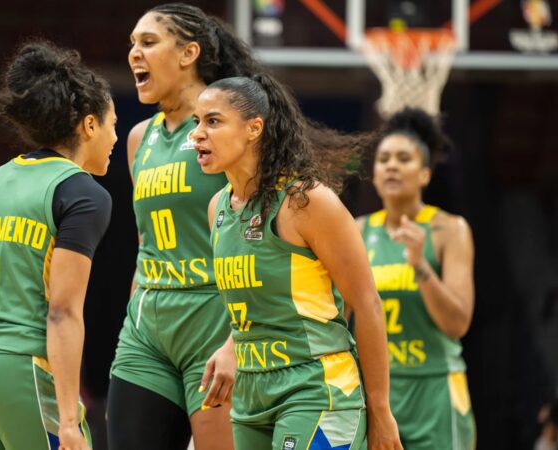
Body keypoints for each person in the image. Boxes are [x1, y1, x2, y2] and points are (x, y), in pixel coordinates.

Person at [109, 4, 375, 449]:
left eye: (148, 42)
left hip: (216, 317)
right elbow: (145, 243)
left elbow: (279, 227)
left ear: (188, 53)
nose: (135, 52)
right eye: (133, 43)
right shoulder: (141, 138)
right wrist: (134, 312)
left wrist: (237, 341)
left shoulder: (232, 131)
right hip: (148, 324)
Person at [193, 74, 402, 450]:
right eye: (196, 122)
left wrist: (381, 410)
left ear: (254, 128)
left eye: (213, 121)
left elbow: (367, 303)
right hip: (252, 395)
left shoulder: (306, 201)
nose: (197, 134)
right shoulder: (217, 209)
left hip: (315, 388)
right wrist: (230, 346)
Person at [0, 40, 116, 450]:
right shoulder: (83, 193)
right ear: (89, 125)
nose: (114, 136)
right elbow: (62, 311)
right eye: (112, 123)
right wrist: (71, 421)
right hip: (22, 364)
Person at [354, 107, 476, 449]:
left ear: (424, 174)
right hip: (379, 388)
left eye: (404, 159)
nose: (392, 166)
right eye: (384, 159)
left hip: (434, 390)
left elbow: (458, 323)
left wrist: (420, 264)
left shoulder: (449, 230)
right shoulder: (358, 231)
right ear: (374, 174)